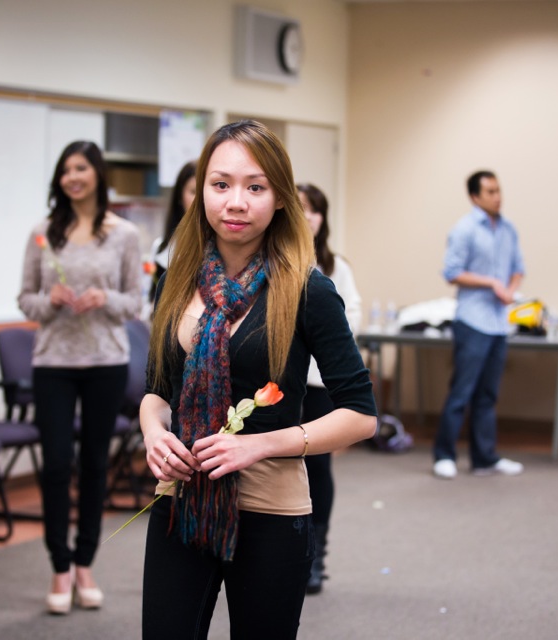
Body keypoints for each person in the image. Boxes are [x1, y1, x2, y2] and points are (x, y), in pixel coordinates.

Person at [139, 120, 377, 639]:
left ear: (281, 198)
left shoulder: (309, 290)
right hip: (181, 500)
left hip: (270, 509)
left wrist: (259, 445)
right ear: (200, 190)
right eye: (221, 184)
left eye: (256, 187)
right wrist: (155, 434)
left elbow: (361, 416)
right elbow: (158, 390)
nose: (236, 202)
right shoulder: (176, 281)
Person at [18, 140, 142, 614]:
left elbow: (135, 301)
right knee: (54, 466)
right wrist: (48, 300)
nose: (73, 177)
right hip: (53, 362)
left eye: (81, 168)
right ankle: (59, 564)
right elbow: (24, 298)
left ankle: (85, 562)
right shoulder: (42, 234)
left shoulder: (123, 234)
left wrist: (103, 299)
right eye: (66, 169)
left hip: (105, 362)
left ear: (97, 175)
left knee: (94, 465)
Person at [433, 170, 525, 480]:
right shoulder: (465, 229)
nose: (497, 196)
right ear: (475, 196)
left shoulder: (509, 229)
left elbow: (518, 269)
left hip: (499, 323)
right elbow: (451, 272)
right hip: (472, 321)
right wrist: (490, 283)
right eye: (490, 191)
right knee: (462, 392)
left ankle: (485, 459)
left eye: (499, 190)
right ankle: (444, 456)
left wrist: (510, 289)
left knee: (488, 396)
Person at [296, 183, 362, 595]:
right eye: (300, 208)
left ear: (323, 217)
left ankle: (316, 555)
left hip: (318, 382)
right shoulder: (270, 258)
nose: (307, 216)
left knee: (318, 467)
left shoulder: (336, 266)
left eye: (314, 209)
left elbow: (351, 317)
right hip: (276, 384)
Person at [148, 160, 197, 300]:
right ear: (179, 197)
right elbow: (150, 299)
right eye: (193, 192)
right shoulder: (161, 248)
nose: (200, 199)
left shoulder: (223, 249)